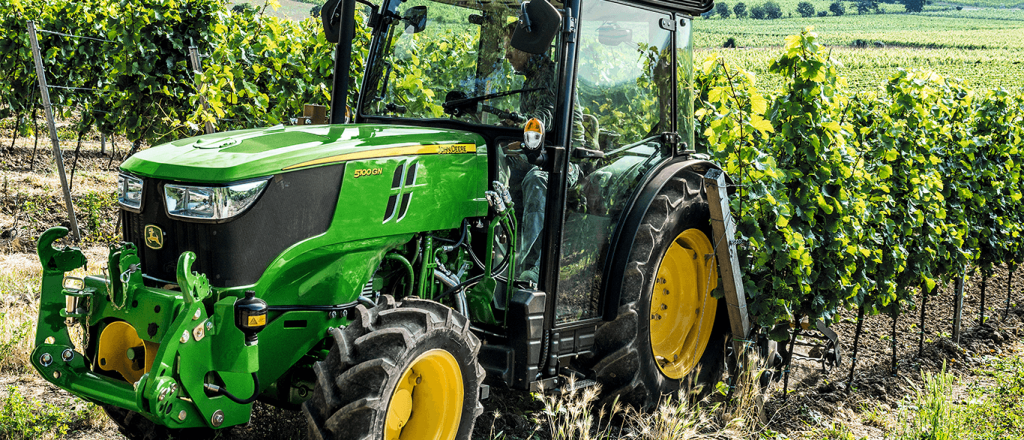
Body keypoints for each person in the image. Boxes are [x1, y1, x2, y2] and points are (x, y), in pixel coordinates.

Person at [501, 26, 585, 284]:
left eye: (510, 48)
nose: (507, 56)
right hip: (540, 154)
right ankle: (497, 254)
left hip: (567, 158)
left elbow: (542, 120)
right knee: (496, 164)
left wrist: (519, 128)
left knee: (536, 180)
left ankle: (532, 270)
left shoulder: (551, 75)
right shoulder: (530, 79)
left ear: (527, 47)